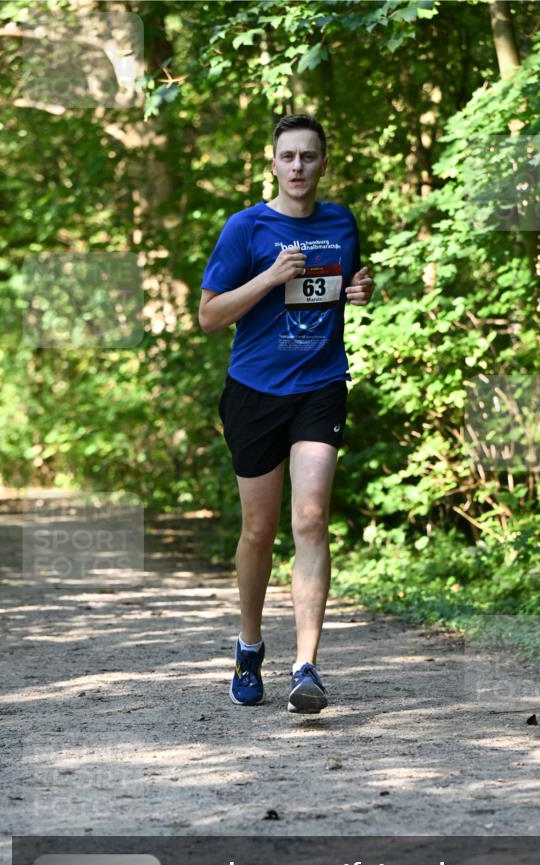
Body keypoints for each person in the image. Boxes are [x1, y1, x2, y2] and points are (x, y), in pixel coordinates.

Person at [198, 113, 373, 714]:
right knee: (259, 529)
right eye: (288, 157)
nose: (298, 167)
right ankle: (249, 647)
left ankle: (307, 667)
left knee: (312, 516)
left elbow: (342, 282)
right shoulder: (245, 228)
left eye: (309, 156)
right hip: (254, 392)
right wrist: (270, 277)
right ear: (272, 163)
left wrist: (359, 288)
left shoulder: (341, 222)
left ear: (324, 162)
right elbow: (210, 315)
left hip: (320, 386)